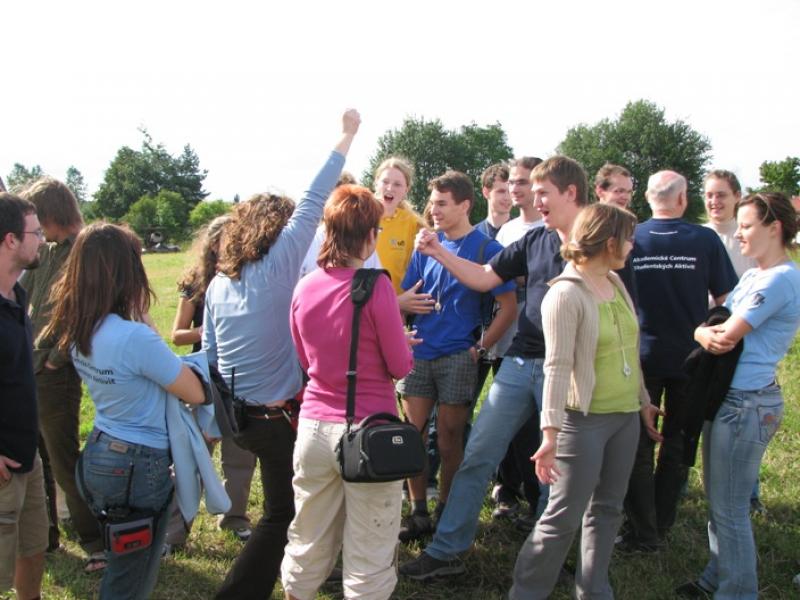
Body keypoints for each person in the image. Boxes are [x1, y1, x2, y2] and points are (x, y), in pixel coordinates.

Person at [400, 156, 590, 581]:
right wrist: (437, 251)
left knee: (555, 469)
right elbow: (485, 278)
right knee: (477, 454)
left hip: (570, 368)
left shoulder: (599, 239)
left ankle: (547, 561)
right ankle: (446, 551)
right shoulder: (534, 239)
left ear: (571, 193)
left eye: (541, 192)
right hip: (520, 362)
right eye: (530, 191)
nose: (530, 199)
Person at [207, 110, 361, 600]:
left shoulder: (218, 283)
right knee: (281, 514)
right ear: (276, 230)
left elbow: (211, 354)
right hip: (275, 420)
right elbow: (315, 198)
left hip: (240, 419)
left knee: (294, 504)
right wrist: (347, 135)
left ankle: (312, 570)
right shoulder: (277, 267)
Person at [43, 223, 206, 600]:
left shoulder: (80, 326)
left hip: (102, 451)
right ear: (126, 272)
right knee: (131, 577)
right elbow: (194, 392)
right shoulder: (133, 337)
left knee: (124, 565)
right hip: (137, 464)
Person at [509, 202, 661, 599]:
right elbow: (557, 367)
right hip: (583, 421)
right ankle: (526, 592)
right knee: (562, 516)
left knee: (608, 509)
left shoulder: (616, 282)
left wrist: (643, 400)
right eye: (628, 238)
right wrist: (550, 433)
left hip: (624, 417)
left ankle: (594, 591)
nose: (632, 246)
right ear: (609, 242)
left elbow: (629, 349)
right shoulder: (565, 294)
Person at [280, 184, 415, 600]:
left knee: (307, 536)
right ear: (371, 235)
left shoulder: (304, 287)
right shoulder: (377, 286)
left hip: (313, 429)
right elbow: (400, 366)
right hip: (369, 435)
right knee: (370, 553)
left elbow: (304, 358)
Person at [676, 192, 800, 599]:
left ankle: (738, 591)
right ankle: (717, 577)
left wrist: (701, 331)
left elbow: (723, 336)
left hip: (747, 404)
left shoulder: (781, 279)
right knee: (720, 501)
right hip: (729, 399)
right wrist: (701, 330)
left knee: (730, 509)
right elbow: (714, 321)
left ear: (774, 228)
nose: (739, 233)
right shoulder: (753, 276)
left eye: (746, 225)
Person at [621, 171, 737, 552]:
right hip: (693, 357)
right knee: (677, 443)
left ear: (646, 198)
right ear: (684, 199)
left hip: (640, 356)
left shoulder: (630, 237)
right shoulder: (704, 239)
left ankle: (643, 529)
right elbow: (726, 300)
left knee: (639, 445)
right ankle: (661, 522)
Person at [396, 171, 516, 542]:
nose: (433, 210)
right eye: (432, 203)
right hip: (419, 352)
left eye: (441, 203)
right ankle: (418, 511)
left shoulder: (486, 249)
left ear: (465, 205)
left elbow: (508, 307)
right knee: (413, 436)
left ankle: (446, 510)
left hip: (458, 357)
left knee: (449, 440)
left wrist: (480, 347)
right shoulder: (423, 246)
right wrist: (402, 320)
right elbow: (406, 297)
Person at [18, 178, 106, 571]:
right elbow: (27, 300)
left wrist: (56, 358)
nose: (36, 229)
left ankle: (96, 543)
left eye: (38, 220)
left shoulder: (86, 248)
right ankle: (46, 536)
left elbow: (84, 310)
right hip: (31, 365)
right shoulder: (48, 250)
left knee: (64, 459)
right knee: (38, 457)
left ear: (51, 213)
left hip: (55, 373)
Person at [164, 215, 257, 550]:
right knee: (193, 453)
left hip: (239, 375)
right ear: (213, 244)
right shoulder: (194, 282)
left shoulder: (248, 276)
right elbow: (177, 334)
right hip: (203, 378)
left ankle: (235, 517)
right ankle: (175, 529)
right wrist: (210, 330)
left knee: (241, 454)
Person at [490, 156, 547, 529]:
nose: (515, 188)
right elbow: (496, 278)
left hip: (541, 344)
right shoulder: (507, 231)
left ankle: (537, 498)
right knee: (507, 424)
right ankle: (506, 488)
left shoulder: (550, 228)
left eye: (523, 182)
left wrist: (520, 277)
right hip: (506, 337)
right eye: (511, 182)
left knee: (536, 428)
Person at [0, 193, 48, 600]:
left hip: (26, 454)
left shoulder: (18, 296)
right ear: (11, 239)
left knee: (33, 548)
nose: (43, 241)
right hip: (2, 466)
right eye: (36, 233)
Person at [373, 156, 425, 295]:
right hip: (360, 303)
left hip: (396, 303)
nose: (390, 188)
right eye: (385, 182)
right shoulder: (358, 216)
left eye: (397, 184)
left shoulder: (414, 224)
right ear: (376, 183)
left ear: (406, 190)